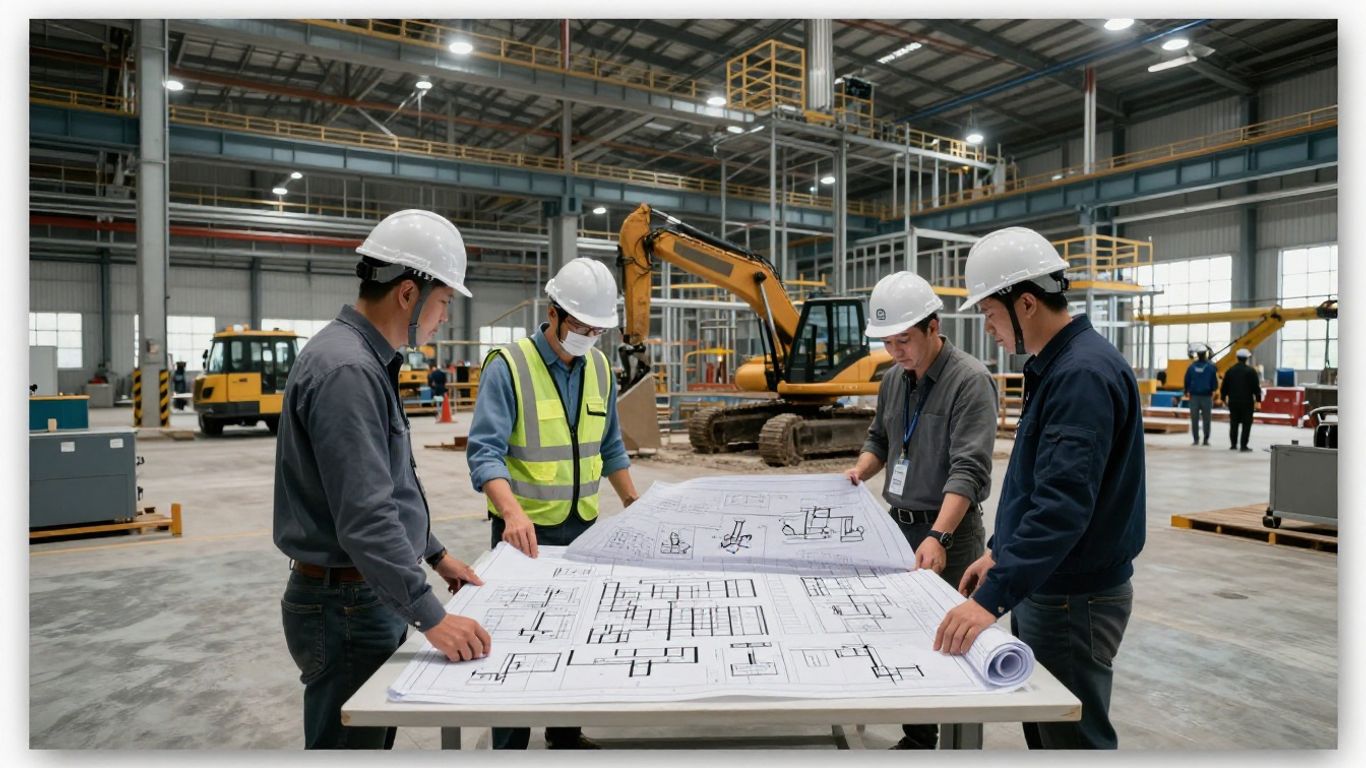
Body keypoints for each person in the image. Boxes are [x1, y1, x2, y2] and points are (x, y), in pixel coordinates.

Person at [274, 209, 492, 749]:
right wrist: (431, 616)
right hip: (345, 605)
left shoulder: (364, 360)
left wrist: (435, 555)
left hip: (357, 595)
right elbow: (366, 518)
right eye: (443, 302)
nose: (444, 318)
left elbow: (388, 485)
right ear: (407, 295)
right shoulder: (349, 371)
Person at [934, 226, 1145, 750]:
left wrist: (992, 600)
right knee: (1048, 735)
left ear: (1025, 303)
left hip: (1074, 595)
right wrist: (998, 553)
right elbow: (1041, 482)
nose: (988, 329)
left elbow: (1062, 506)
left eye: (989, 313)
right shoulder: (1057, 367)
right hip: (1052, 585)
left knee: (1072, 740)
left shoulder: (1081, 376)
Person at [467, 256, 640, 750]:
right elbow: (484, 453)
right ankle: (509, 746)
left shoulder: (601, 369)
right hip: (524, 535)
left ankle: (565, 733)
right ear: (554, 313)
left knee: (573, 637)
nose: (589, 336)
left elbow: (610, 448)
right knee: (516, 641)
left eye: (597, 329)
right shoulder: (510, 366)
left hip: (582, 528)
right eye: (581, 326)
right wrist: (512, 513)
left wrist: (634, 502)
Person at [843, 270, 999, 750]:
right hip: (899, 529)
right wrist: (859, 472)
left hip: (950, 534)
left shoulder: (969, 381)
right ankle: (918, 735)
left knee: (950, 638)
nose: (896, 352)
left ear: (934, 326)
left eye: (904, 340)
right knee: (904, 635)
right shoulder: (893, 380)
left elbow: (968, 471)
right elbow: (881, 439)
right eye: (888, 342)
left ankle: (955, 744)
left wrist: (941, 536)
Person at [1220, 348, 1262, 452]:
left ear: (1237, 358)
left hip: (1233, 402)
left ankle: (1233, 445)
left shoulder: (1230, 371)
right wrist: (1258, 401)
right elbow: (1256, 388)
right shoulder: (1251, 371)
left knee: (1234, 423)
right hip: (1247, 402)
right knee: (1246, 424)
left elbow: (1224, 386)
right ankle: (1243, 446)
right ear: (1247, 358)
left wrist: (1223, 398)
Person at [1183, 343, 1216, 445]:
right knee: (1206, 419)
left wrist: (1186, 391)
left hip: (1194, 397)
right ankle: (1205, 439)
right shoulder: (1210, 367)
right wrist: (1213, 391)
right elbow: (1214, 382)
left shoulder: (1191, 367)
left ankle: (1196, 439)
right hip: (1206, 396)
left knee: (1195, 420)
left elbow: (1186, 381)